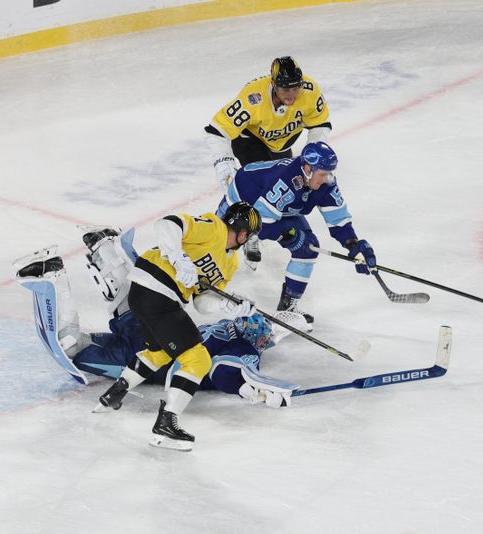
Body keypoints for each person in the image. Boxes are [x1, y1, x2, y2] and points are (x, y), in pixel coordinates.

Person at [14, 241, 299, 413]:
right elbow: (224, 371)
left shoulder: (232, 332)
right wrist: (249, 387)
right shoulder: (245, 346)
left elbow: (225, 368)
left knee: (126, 311)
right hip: (146, 355)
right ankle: (55, 276)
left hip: (151, 335)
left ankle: (105, 253)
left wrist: (248, 385)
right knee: (76, 346)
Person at [69, 203, 262, 451]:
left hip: (153, 296)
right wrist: (178, 257)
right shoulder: (214, 228)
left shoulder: (230, 263)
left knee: (158, 352)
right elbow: (168, 224)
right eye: (249, 234)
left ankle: (115, 394)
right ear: (242, 229)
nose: (248, 241)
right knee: (199, 360)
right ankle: (165, 425)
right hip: (156, 292)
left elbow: (202, 302)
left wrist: (229, 305)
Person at [216, 141, 377, 330]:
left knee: (307, 248)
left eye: (329, 173)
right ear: (308, 168)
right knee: (218, 247)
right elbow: (261, 223)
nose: (327, 179)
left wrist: (353, 245)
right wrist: (287, 236)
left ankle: (287, 310)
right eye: (323, 174)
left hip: (279, 208)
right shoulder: (286, 181)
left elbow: (338, 218)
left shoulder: (325, 182)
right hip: (244, 198)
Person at [205, 56, 332, 265]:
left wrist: (313, 156)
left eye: (295, 89)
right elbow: (217, 130)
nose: (291, 95)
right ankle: (240, 234)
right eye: (285, 90)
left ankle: (253, 227)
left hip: (281, 145)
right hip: (249, 140)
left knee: (279, 191)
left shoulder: (309, 93)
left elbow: (320, 124)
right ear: (273, 84)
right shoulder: (252, 98)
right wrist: (224, 163)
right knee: (256, 188)